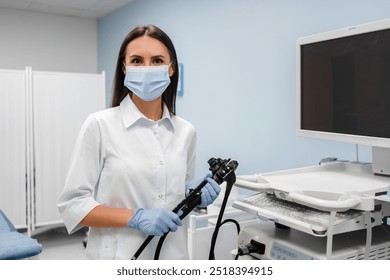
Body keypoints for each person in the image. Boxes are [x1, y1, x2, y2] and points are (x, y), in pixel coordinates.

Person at [57, 24, 221, 260]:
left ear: (171, 68)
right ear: (124, 68)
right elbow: (73, 205)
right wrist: (134, 217)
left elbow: (176, 197)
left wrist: (195, 197)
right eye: (136, 61)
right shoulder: (100, 125)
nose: (147, 68)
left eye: (156, 61)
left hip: (172, 256)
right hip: (118, 258)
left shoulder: (186, 132)